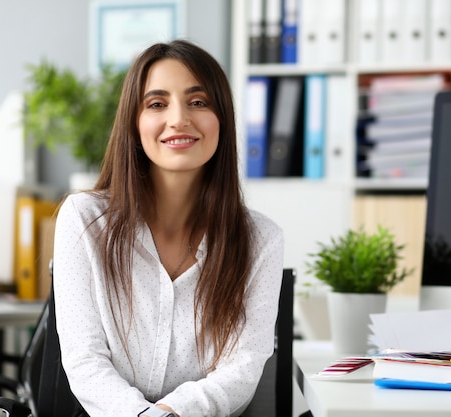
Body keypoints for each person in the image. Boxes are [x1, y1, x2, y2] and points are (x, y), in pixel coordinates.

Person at [53, 39, 284, 417]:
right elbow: (85, 360)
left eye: (198, 102)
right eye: (157, 104)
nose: (179, 119)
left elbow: (242, 368)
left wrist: (173, 413)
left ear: (222, 119)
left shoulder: (261, 240)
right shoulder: (84, 219)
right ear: (135, 121)